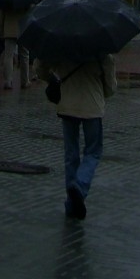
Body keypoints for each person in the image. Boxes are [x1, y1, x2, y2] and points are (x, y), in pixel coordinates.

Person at [34, 53, 117, 220]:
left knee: (71, 155)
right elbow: (110, 86)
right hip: (92, 106)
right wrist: (102, 92)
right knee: (93, 151)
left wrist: (54, 78)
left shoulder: (61, 44)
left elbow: (40, 68)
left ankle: (71, 204)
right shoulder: (100, 49)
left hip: (67, 104)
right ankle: (80, 185)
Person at [0, 5, 31, 90]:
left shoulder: (6, 1)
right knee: (24, 56)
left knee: (8, 56)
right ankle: (25, 81)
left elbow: (1, 18)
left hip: (9, 31)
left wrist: (0, 31)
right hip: (23, 30)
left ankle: (8, 81)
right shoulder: (26, 0)